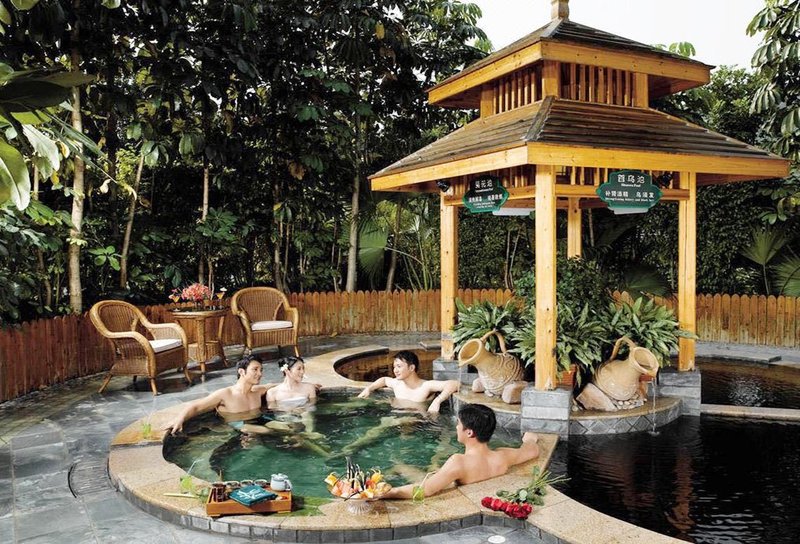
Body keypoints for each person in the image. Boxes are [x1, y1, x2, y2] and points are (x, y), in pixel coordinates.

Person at [382, 403, 539, 500]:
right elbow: (532, 451)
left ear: (469, 432)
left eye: (458, 423)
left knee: (400, 467)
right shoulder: (503, 456)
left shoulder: (459, 462)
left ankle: (396, 468)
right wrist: (530, 439)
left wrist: (388, 493)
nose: (456, 427)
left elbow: (426, 490)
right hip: (460, 480)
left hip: (444, 483)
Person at [163, 355, 275, 435]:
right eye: (255, 369)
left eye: (261, 370)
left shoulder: (257, 391)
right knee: (268, 431)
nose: (260, 374)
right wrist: (179, 419)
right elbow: (196, 407)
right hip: (237, 428)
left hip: (257, 422)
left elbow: (272, 385)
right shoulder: (225, 394)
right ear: (241, 372)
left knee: (280, 427)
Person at [357, 350, 459, 413]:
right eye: (394, 367)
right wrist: (369, 389)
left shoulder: (425, 386)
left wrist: (437, 401)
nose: (395, 370)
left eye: (399, 366)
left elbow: (454, 384)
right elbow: (384, 380)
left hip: (418, 422)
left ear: (411, 368)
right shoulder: (397, 384)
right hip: (397, 416)